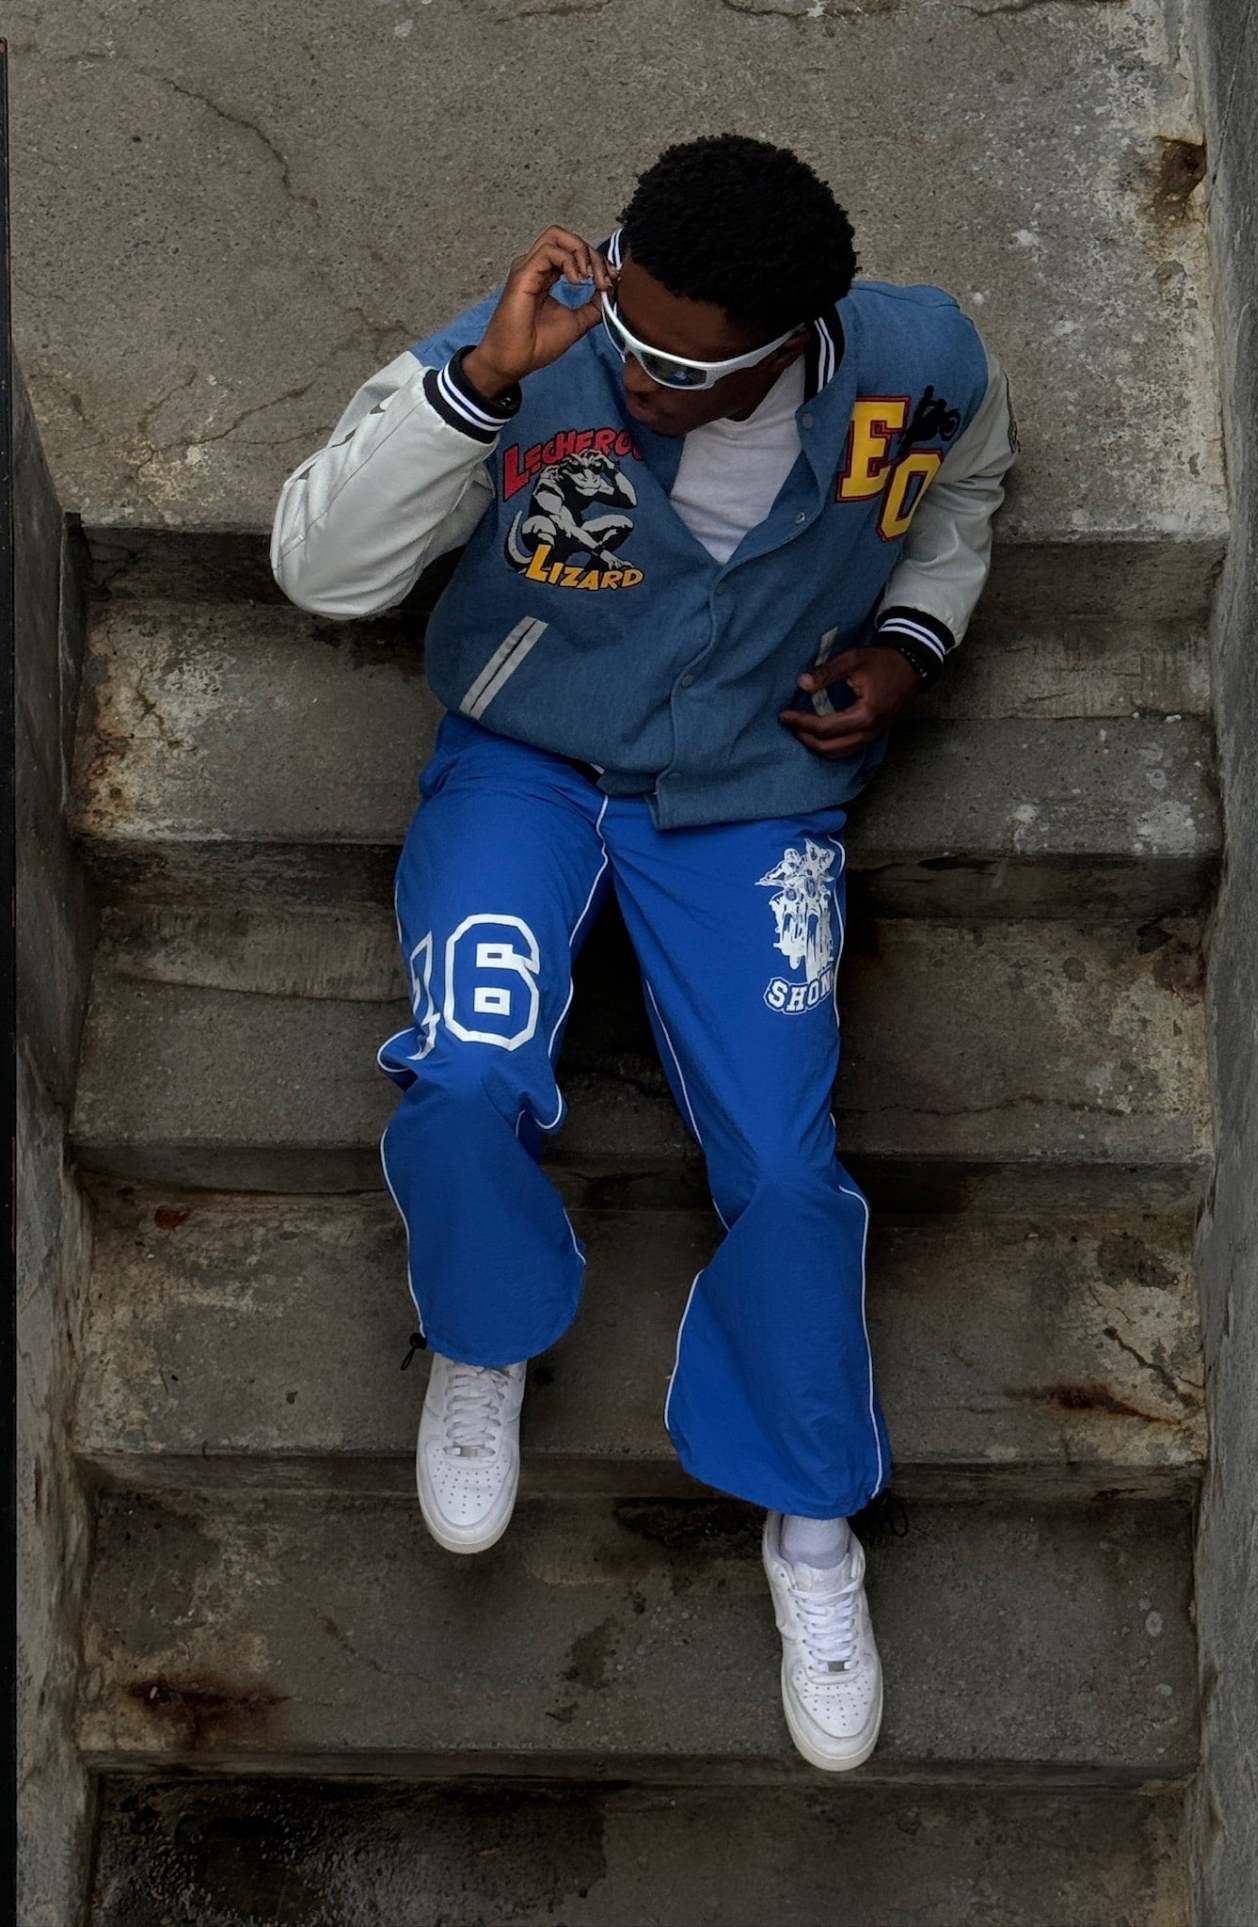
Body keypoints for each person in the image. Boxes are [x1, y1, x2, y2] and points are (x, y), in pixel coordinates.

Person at [271, 133, 1018, 1774]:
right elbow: (319, 569)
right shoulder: (535, 347)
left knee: (787, 1167)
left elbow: (962, 490)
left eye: (685, 365)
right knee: (461, 1074)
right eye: (626, 320)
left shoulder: (917, 361)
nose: (634, 369)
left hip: (753, 790)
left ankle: (808, 1521)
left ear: (790, 345)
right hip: (523, 760)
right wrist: (478, 387)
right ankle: (485, 1331)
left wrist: (910, 642)